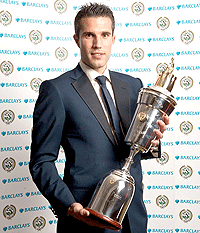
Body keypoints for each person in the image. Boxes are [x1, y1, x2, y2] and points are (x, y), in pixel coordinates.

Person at [29, 3, 169, 233]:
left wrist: (152, 141)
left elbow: (131, 152)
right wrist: (70, 206)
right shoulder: (57, 91)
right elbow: (41, 162)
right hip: (86, 216)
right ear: (77, 39)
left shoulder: (134, 86)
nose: (98, 44)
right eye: (89, 35)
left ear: (113, 38)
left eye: (104, 35)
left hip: (134, 216)